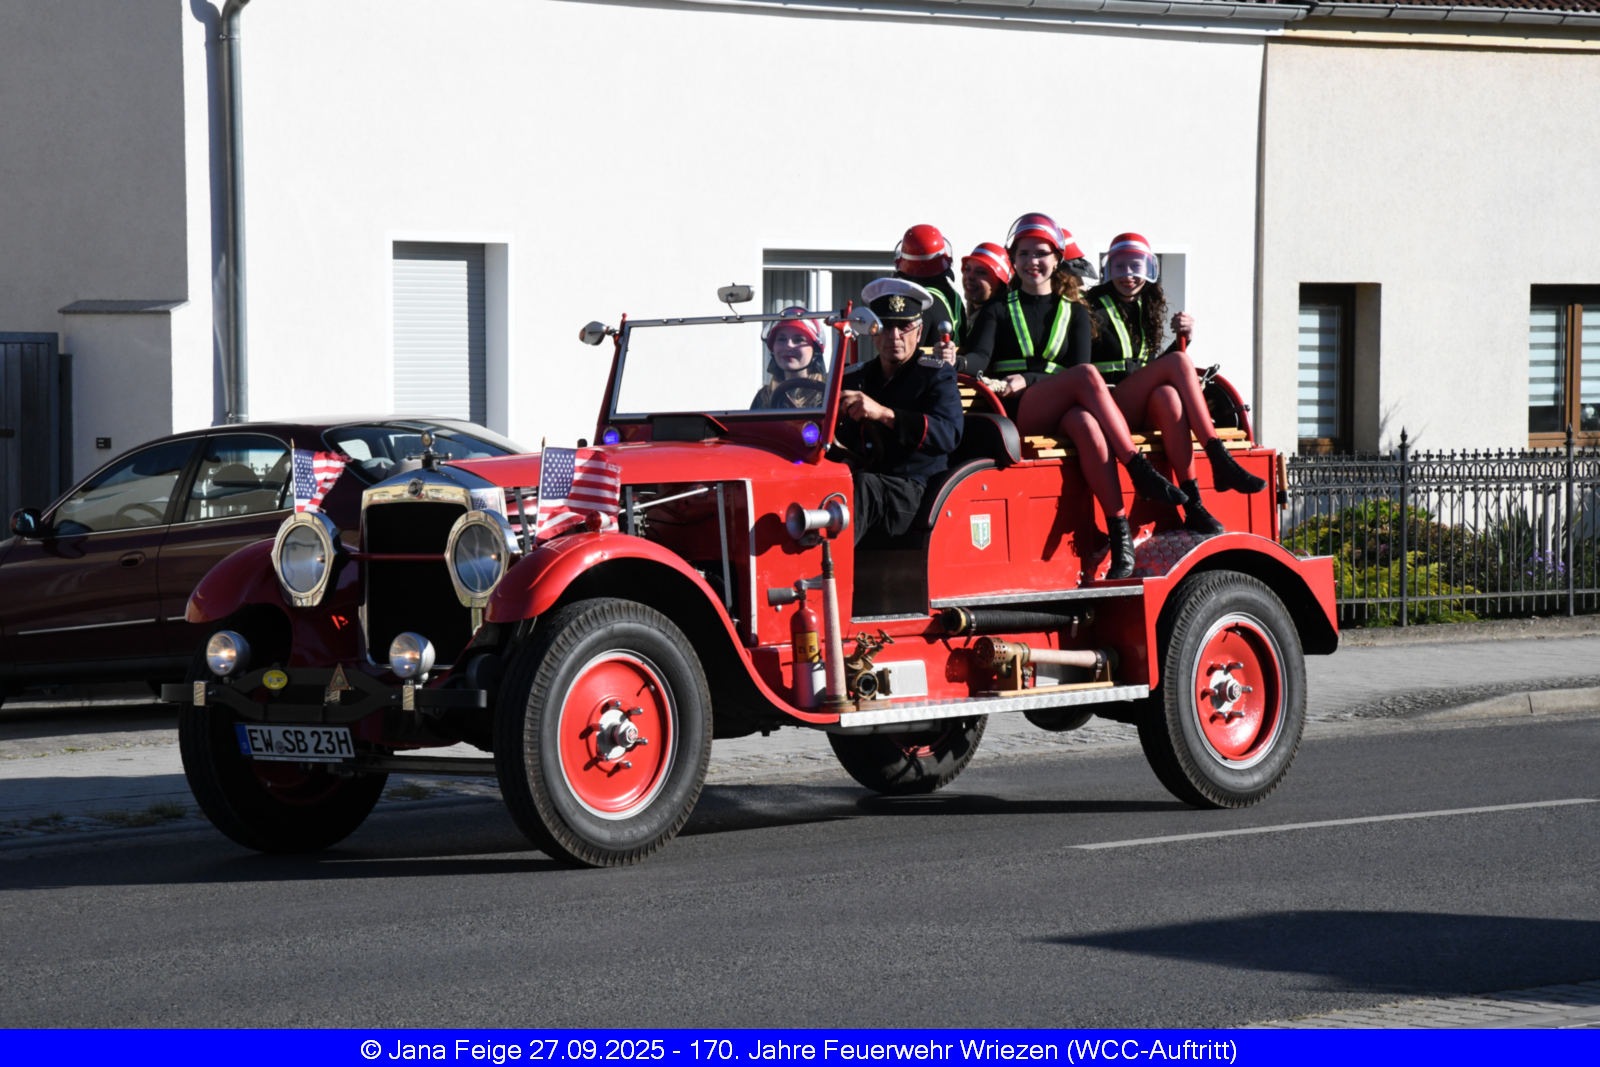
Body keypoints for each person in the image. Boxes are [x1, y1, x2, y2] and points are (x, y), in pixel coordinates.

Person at [961, 213, 1185, 580]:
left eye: (1041, 253)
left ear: (1057, 258)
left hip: (1061, 404)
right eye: (1024, 254)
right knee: (1086, 379)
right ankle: (1136, 466)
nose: (1033, 261)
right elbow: (980, 360)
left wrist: (1030, 377)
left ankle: (1120, 539)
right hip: (1019, 411)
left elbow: (1079, 375)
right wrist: (955, 359)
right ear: (1013, 259)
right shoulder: (997, 310)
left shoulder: (1078, 314)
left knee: (1086, 424)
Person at [1087, 232, 1266, 536]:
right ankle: (1219, 458)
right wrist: (1178, 355)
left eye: (1136, 266)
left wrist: (1187, 337)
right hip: (1107, 404)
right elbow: (1163, 367)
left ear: (1149, 270)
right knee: (1180, 364)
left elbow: (1153, 367)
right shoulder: (1091, 305)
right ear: (1108, 270)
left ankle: (1193, 505)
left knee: (1168, 397)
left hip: (1135, 402)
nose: (1128, 276)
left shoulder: (1149, 304)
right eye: (1120, 267)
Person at [836, 277, 963, 545]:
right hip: (863, 480)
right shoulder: (854, 378)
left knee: (863, 487)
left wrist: (884, 414)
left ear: (918, 332)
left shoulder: (936, 374)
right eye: (886, 326)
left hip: (915, 491)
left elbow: (948, 434)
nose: (894, 336)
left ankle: (828, 578)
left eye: (904, 327)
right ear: (873, 331)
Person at [893, 224, 964, 362]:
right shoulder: (954, 298)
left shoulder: (918, 304)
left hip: (928, 381)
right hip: (952, 379)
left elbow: (904, 360)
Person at [751, 306, 827, 410]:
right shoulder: (763, 397)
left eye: (798, 340)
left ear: (815, 350)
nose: (788, 346)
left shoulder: (829, 395)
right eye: (781, 339)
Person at [957, 241, 1012, 329]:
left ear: (1000, 283)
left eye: (980, 272)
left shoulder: (1000, 325)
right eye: (967, 269)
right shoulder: (970, 318)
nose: (970, 276)